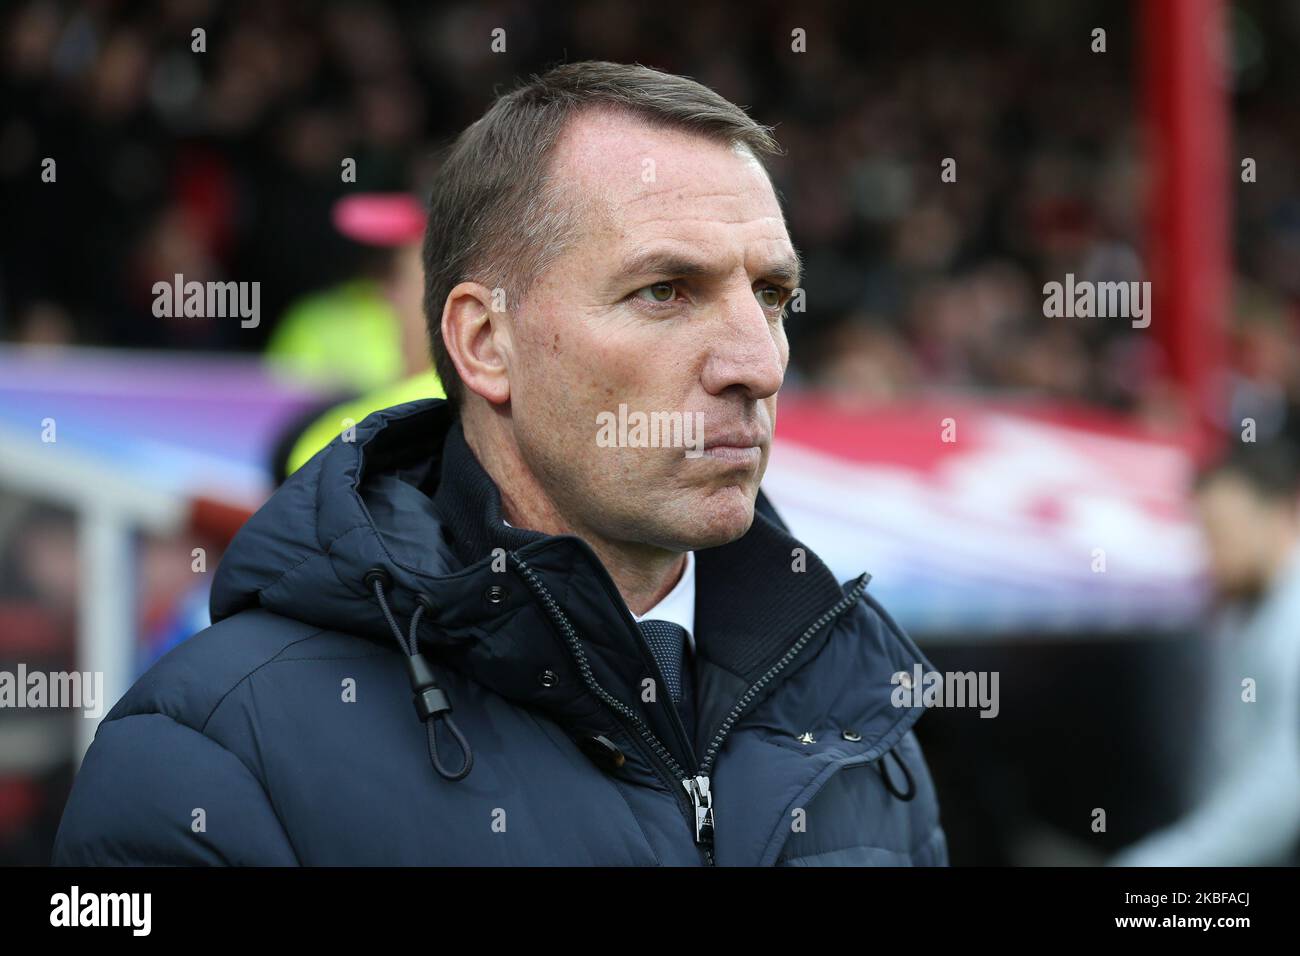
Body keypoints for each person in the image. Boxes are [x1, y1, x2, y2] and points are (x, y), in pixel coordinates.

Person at [53, 61, 948, 866]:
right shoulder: (212, 756)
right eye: (665, 291)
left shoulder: (859, 718)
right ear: (485, 342)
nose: (757, 362)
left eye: (773, 295)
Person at [1110, 441, 1300, 866]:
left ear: (1280, 514)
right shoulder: (1242, 608)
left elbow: (1281, 791)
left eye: (1222, 532)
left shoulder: (1291, 625)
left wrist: (1163, 862)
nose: (1212, 554)